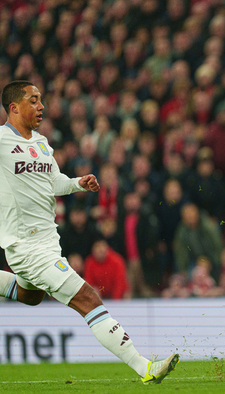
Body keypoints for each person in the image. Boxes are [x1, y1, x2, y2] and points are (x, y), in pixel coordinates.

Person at [0, 81, 178, 384]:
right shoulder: (2, 141)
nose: (41, 106)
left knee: (31, 296)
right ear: (14, 107)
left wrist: (77, 183)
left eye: (42, 100)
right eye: (34, 100)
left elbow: (53, 182)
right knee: (87, 298)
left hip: (47, 242)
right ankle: (145, 368)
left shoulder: (42, 143)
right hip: (26, 245)